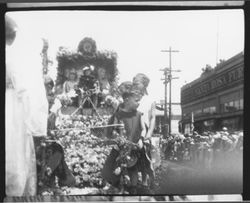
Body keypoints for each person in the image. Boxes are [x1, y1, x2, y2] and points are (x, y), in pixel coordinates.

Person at [5, 15, 48, 196]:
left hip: (13, 107)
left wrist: (37, 126)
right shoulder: (17, 55)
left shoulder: (19, 54)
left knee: (15, 159)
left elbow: (30, 90)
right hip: (12, 104)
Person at [102, 81, 152, 194]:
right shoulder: (118, 114)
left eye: (139, 101)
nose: (138, 103)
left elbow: (143, 129)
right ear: (127, 100)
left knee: (133, 169)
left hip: (133, 147)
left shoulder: (139, 114)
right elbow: (114, 129)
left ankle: (135, 186)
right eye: (136, 101)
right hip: (121, 145)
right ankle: (115, 184)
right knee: (112, 167)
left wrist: (141, 140)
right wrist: (117, 136)